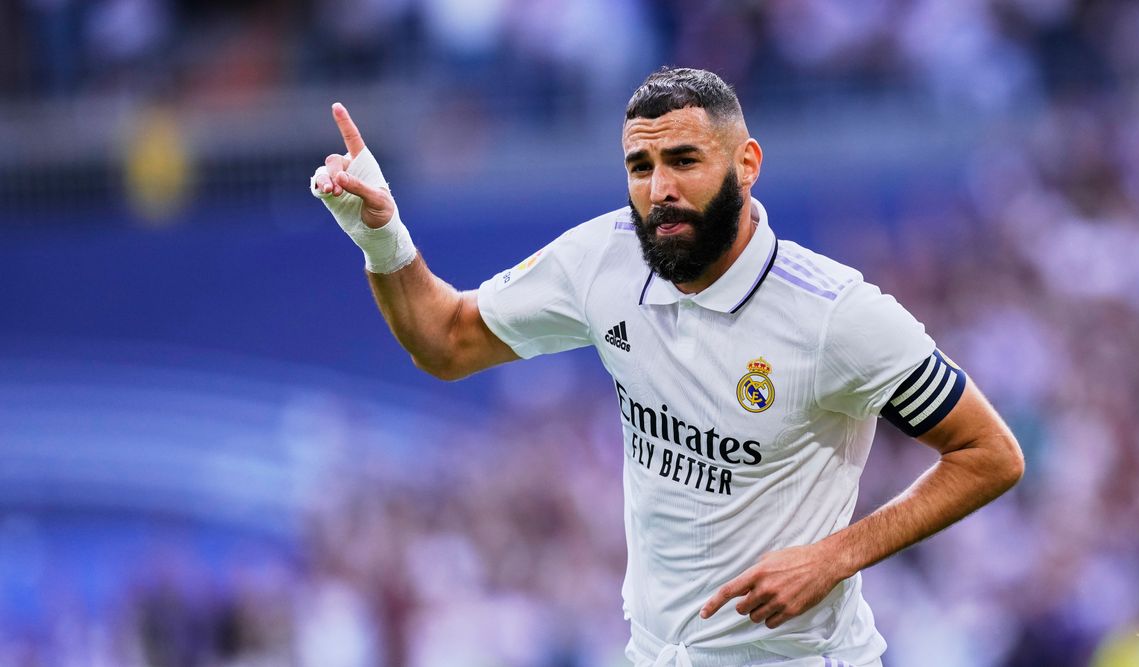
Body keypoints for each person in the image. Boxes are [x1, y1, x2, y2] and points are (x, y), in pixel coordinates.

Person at [309, 67, 1024, 667]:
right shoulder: (603, 259)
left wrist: (834, 556)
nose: (659, 188)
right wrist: (380, 232)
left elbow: (990, 453)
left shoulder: (836, 314)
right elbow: (446, 341)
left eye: (683, 160)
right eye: (640, 166)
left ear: (746, 165)